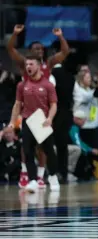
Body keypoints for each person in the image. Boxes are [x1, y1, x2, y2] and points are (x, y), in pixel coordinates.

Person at [7, 25, 70, 189]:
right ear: (30, 51)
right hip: (27, 108)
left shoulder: (48, 64)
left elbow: (65, 52)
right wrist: (15, 34)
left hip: (44, 111)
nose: (39, 51)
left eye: (41, 49)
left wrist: (61, 37)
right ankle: (25, 173)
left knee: (45, 147)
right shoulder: (24, 64)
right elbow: (10, 48)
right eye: (36, 48)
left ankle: (42, 176)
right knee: (26, 146)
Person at [8, 55, 60, 192]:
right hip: (28, 120)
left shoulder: (48, 85)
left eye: (31, 64)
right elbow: (17, 104)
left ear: (38, 65)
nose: (28, 67)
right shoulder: (22, 85)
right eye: (27, 65)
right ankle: (32, 180)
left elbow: (54, 105)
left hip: (42, 121)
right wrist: (12, 122)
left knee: (49, 151)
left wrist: (49, 118)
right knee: (27, 150)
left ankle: (53, 176)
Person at [51, 63, 75, 183]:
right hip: (65, 113)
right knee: (62, 146)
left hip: (53, 112)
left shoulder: (52, 75)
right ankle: (62, 172)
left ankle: (52, 172)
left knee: (48, 145)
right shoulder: (70, 77)